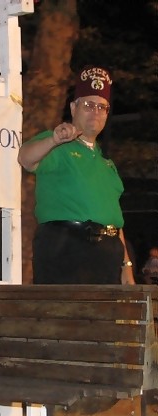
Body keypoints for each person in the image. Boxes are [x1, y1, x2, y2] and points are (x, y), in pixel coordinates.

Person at [18, 65, 134, 285]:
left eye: (102, 107)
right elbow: (25, 158)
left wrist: (126, 267)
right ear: (73, 108)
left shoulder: (106, 162)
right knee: (66, 317)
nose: (96, 112)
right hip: (66, 248)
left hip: (108, 254)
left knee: (104, 318)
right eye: (89, 105)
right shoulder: (57, 144)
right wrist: (54, 139)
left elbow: (114, 218)